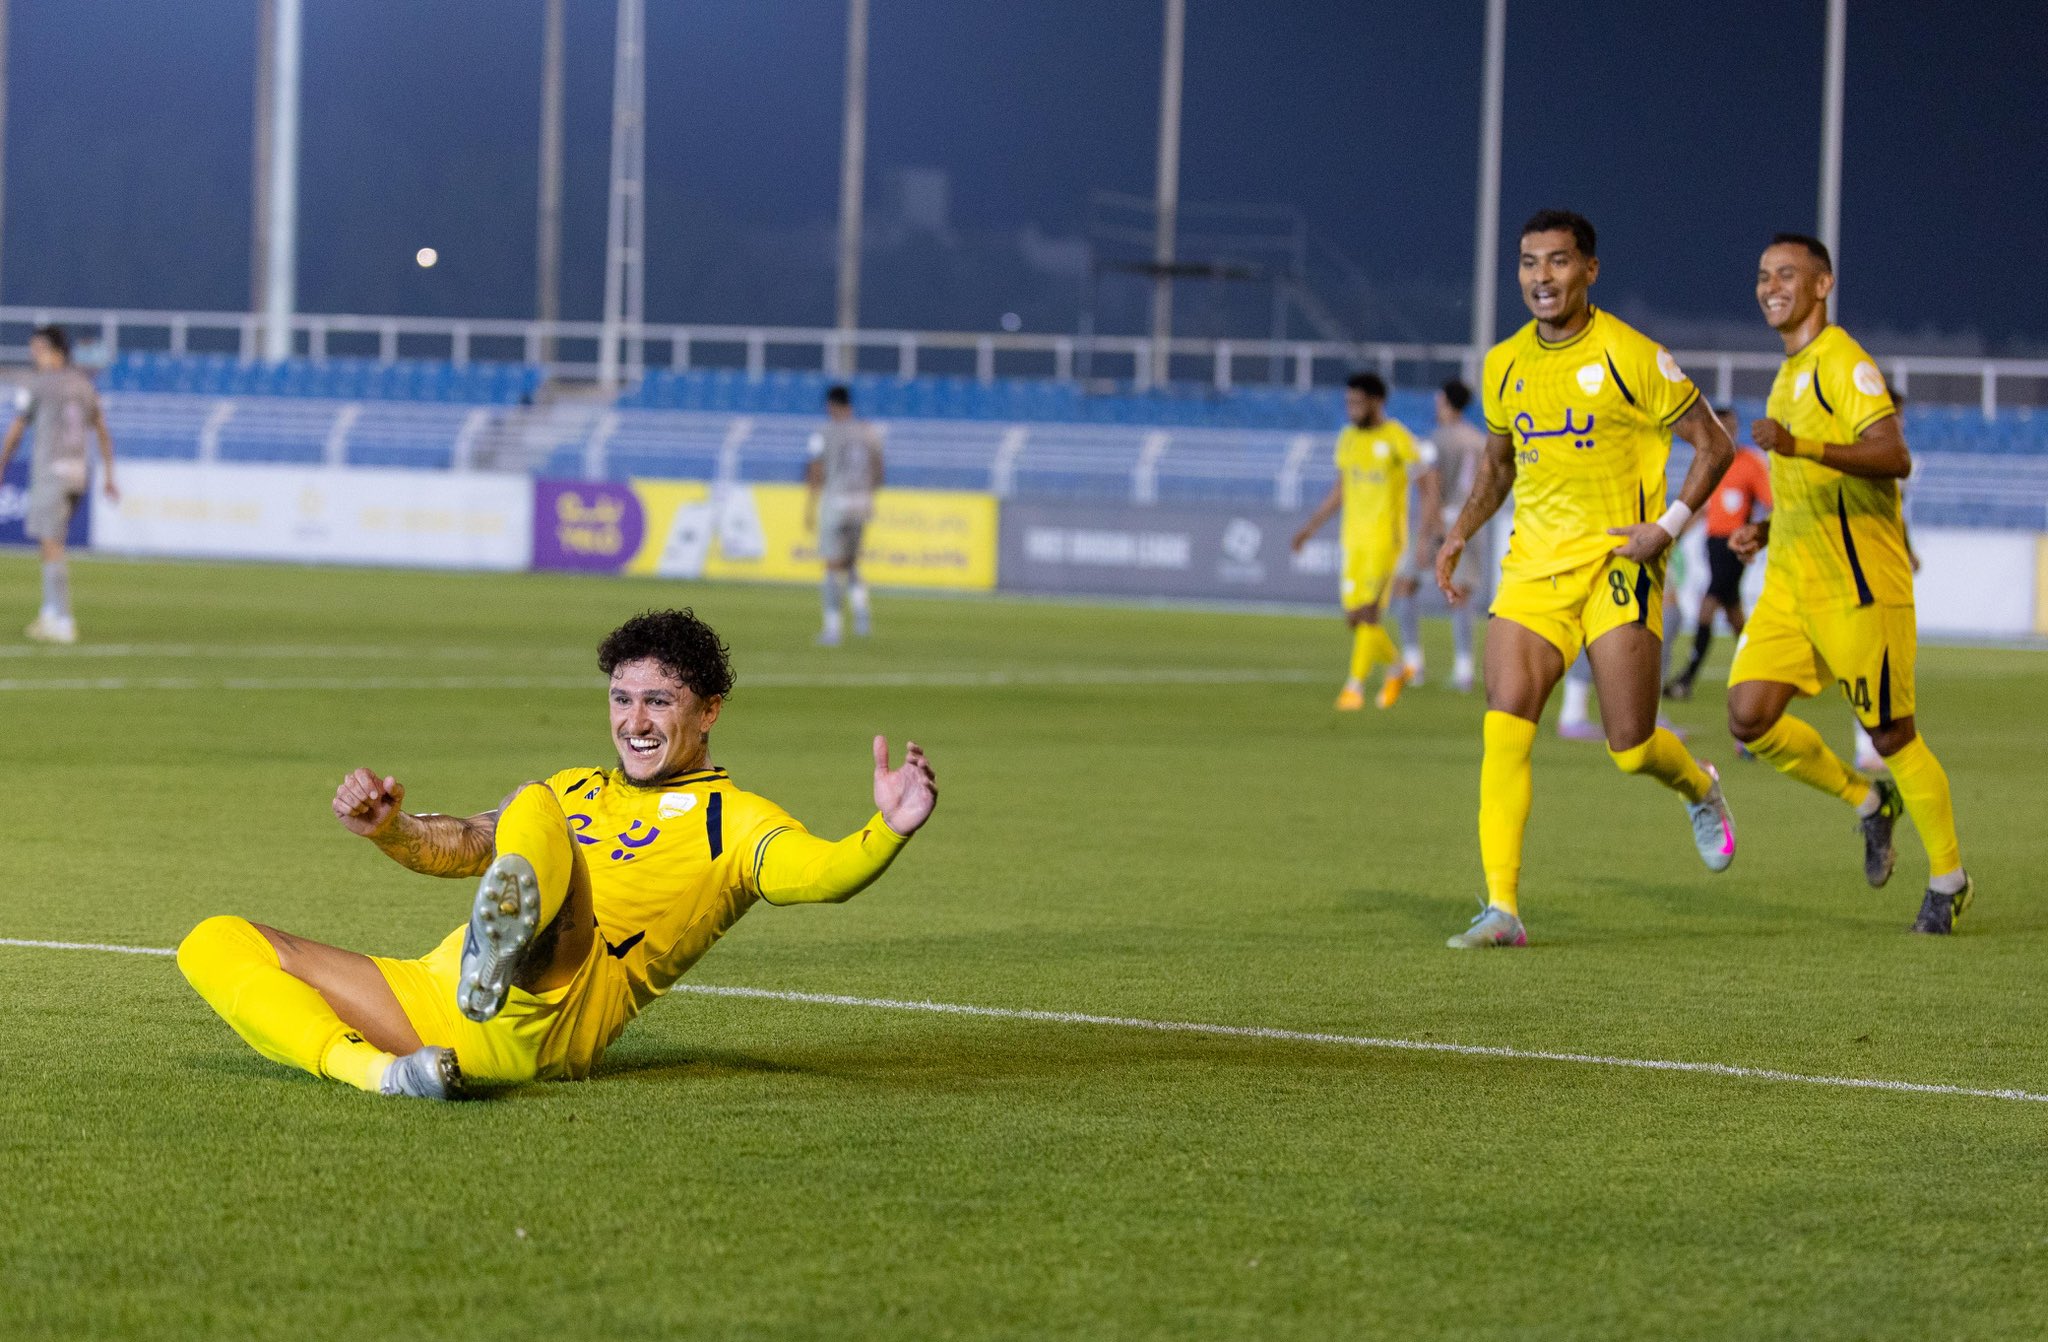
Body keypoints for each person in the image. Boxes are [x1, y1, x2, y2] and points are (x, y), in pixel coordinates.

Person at [175, 609, 940, 1098]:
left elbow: (820, 875)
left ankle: (502, 957)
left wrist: (889, 829)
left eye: (659, 701)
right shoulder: (579, 785)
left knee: (532, 803)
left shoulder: (734, 821)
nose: (634, 722)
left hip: (560, 1004)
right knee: (214, 941)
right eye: (621, 698)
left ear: (709, 711)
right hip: (441, 1001)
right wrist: (390, 829)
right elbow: (467, 842)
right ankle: (385, 1075)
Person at [1433, 210, 1738, 949]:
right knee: (1505, 723)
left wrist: (1666, 528)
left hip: (1619, 564)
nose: (1542, 276)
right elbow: (1499, 464)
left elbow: (1714, 444)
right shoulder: (1504, 363)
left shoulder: (1633, 355)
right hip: (1534, 569)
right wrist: (1460, 530)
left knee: (1630, 746)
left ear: (1589, 270)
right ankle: (1503, 908)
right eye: (1529, 262)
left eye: (1559, 261)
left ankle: (1699, 786)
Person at [1726, 234, 1969, 933]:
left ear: (1822, 284)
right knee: (1749, 717)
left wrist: (1798, 444)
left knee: (1892, 734)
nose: (1771, 286)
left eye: (1787, 274)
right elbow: (1815, 486)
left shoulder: (1842, 361)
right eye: (1763, 274)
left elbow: (1894, 455)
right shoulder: (1788, 373)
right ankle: (1869, 802)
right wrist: (1767, 528)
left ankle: (1949, 880)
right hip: (1792, 583)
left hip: (1858, 585)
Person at [1291, 371, 1438, 710]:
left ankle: (1353, 687)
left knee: (1370, 613)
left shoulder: (1397, 437)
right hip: (1353, 540)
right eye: (1349, 402)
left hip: (1386, 540)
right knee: (1354, 618)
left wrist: (1424, 537)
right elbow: (1340, 489)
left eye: (1358, 402)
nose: (1351, 408)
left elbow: (1428, 486)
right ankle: (1398, 667)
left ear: (1377, 402)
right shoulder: (1348, 438)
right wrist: (1310, 528)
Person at [0, 325, 117, 644]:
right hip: (79, 473)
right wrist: (109, 475)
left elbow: (17, 428)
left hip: (52, 472)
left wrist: (2, 463)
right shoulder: (83, 385)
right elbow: (102, 430)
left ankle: (63, 620)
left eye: (38, 349)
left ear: (55, 352)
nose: (33, 355)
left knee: (52, 543)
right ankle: (49, 613)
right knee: (51, 540)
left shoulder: (39, 384)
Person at [1664, 407, 1771, 699]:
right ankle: (1760, 671)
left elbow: (1769, 501)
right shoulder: (1712, 462)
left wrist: (1760, 532)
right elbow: (1702, 506)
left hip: (1734, 545)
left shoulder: (1750, 463)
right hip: (1712, 544)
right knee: (1734, 612)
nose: (1727, 432)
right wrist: (1676, 534)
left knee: (1708, 604)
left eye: (1731, 427)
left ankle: (1686, 679)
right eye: (1721, 427)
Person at [1391, 379, 1486, 692]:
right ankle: (1464, 669)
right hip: (1471, 522)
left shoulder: (1433, 441)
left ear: (1444, 400)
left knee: (1405, 583)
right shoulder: (1479, 440)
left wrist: (1423, 537)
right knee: (1461, 594)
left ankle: (1413, 663)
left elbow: (1430, 490)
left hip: (1441, 524)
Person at [805, 384, 885, 646]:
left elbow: (816, 469)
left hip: (836, 502)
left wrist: (810, 506)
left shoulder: (824, 432)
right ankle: (862, 613)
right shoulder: (869, 432)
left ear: (831, 405)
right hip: (861, 503)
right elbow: (879, 469)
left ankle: (833, 629)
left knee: (832, 564)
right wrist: (869, 494)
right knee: (851, 563)